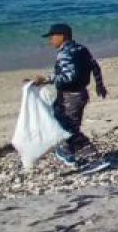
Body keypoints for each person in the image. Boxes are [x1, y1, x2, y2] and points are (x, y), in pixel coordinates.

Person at [32, 23, 110, 173]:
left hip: (71, 97)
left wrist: (48, 80)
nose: (51, 41)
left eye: (52, 37)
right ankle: (68, 151)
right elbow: (94, 66)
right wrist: (99, 85)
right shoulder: (81, 49)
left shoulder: (64, 54)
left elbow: (70, 76)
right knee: (59, 120)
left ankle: (94, 159)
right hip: (80, 94)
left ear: (62, 36)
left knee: (69, 130)